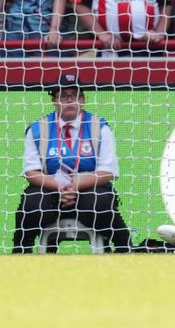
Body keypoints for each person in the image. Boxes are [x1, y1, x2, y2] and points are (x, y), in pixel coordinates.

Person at [13, 73, 133, 253]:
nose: (69, 100)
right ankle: (21, 251)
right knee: (31, 203)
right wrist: (60, 188)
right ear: (54, 100)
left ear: (82, 99)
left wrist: (75, 185)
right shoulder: (38, 128)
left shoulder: (100, 127)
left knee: (99, 203)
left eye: (74, 95)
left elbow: (107, 171)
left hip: (88, 188)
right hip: (51, 190)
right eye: (63, 96)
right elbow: (32, 172)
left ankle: (123, 247)